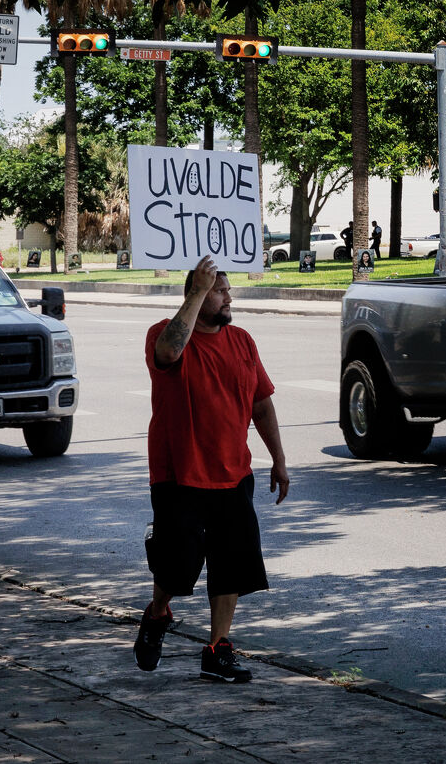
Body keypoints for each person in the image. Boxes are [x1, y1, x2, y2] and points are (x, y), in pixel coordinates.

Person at [133, 256, 290, 683]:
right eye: (219, 290)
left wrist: (278, 458)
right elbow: (167, 354)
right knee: (178, 567)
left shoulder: (242, 341)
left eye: (226, 289)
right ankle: (159, 611)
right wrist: (198, 289)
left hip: (234, 472)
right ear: (197, 295)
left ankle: (217, 648)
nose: (228, 296)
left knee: (232, 563)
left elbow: (261, 402)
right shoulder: (164, 336)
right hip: (178, 473)